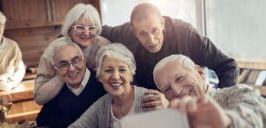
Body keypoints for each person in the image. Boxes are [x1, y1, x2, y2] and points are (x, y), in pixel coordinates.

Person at [139, 54, 266, 128]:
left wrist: (226, 123)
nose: (177, 91)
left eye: (180, 78)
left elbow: (259, 121)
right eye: (167, 89)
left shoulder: (236, 94)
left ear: (200, 73)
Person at [60, 43, 169, 128]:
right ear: (99, 76)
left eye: (122, 70)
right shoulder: (102, 105)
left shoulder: (151, 100)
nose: (116, 76)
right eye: (108, 70)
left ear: (131, 74)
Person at [101, 3, 239, 90]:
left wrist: (217, 101)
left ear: (162, 23)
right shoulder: (125, 33)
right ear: (133, 31)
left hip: (186, 104)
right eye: (142, 34)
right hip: (149, 108)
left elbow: (229, 66)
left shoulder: (186, 34)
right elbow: (97, 29)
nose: (151, 40)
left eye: (154, 30)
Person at [34, 3, 109, 104]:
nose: (86, 33)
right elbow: (39, 97)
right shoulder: (54, 50)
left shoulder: (103, 45)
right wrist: (63, 72)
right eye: (80, 27)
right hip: (63, 105)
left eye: (91, 28)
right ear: (69, 30)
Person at [36, 41, 106, 128]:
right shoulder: (57, 88)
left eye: (75, 60)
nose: (71, 69)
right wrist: (75, 126)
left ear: (84, 60)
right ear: (56, 69)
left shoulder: (102, 83)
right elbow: (42, 120)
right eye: (63, 64)